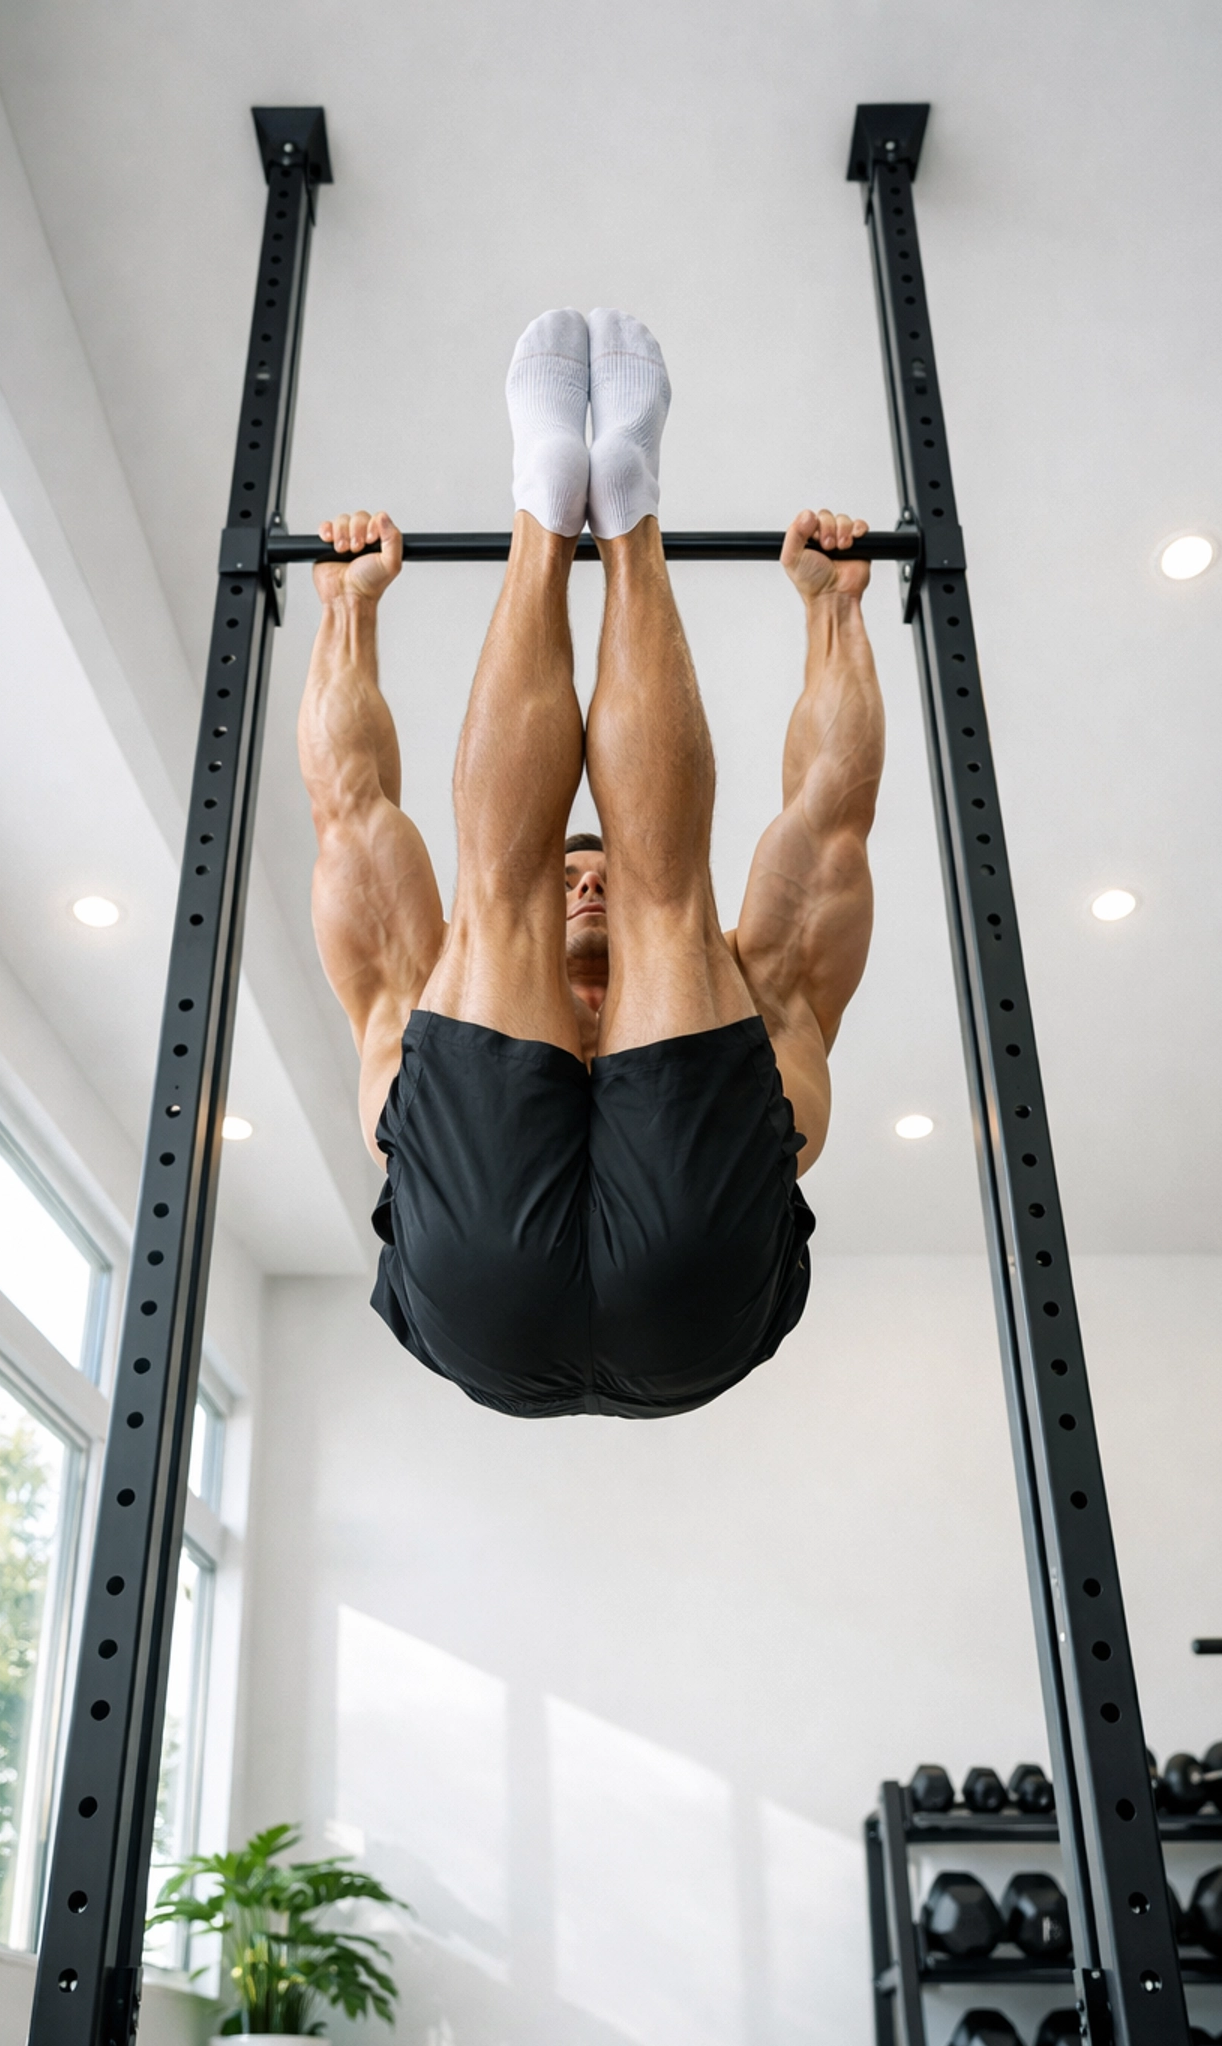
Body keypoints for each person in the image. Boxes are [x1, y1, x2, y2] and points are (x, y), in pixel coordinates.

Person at [296, 309, 885, 1417]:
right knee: (670, 901)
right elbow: (832, 821)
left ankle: (547, 512)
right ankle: (624, 513)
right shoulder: (752, 990)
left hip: (489, 1305)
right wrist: (830, 621)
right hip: (695, 1303)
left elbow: (351, 814)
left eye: (593, 861)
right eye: (577, 866)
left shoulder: (436, 980)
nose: (586, 877)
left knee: (498, 897)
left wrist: (349, 618)